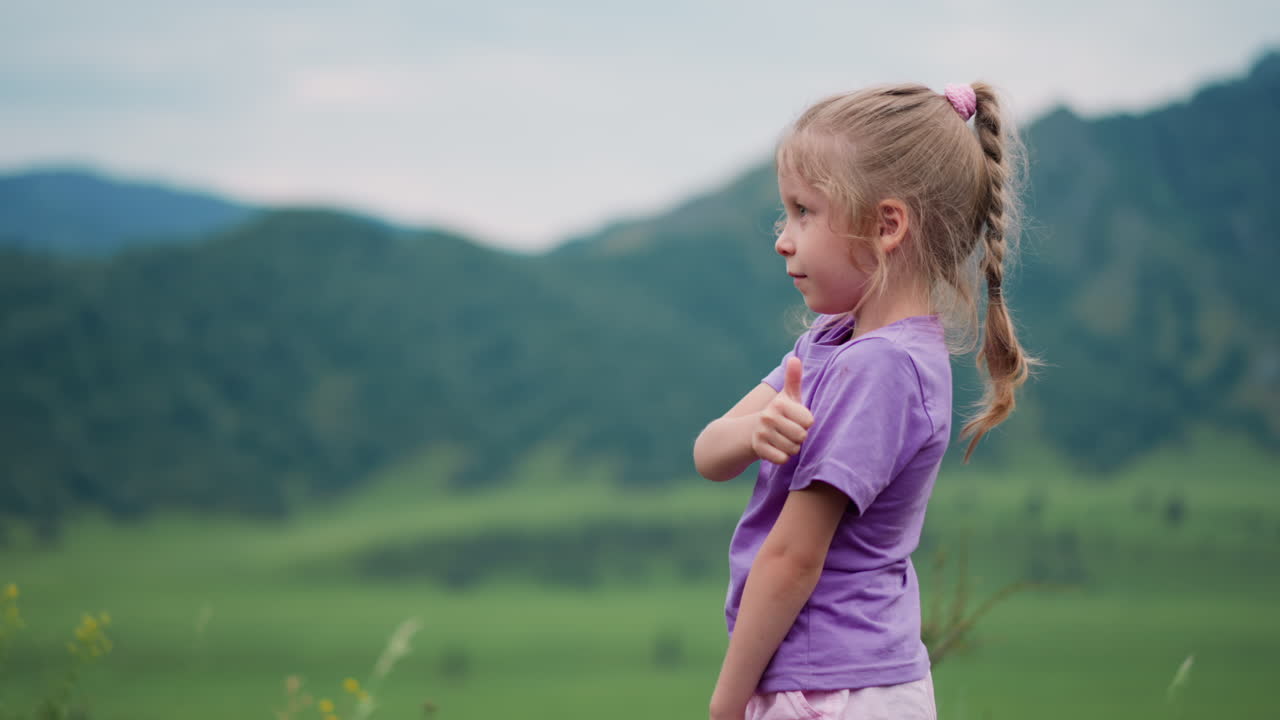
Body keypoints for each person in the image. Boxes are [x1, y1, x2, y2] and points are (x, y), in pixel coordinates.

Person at [692, 82, 1036, 720]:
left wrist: (725, 703)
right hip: (828, 680)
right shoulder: (835, 341)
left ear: (886, 226)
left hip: (840, 692)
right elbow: (709, 451)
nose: (783, 239)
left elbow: (794, 558)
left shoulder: (880, 369)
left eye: (804, 212)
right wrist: (752, 433)